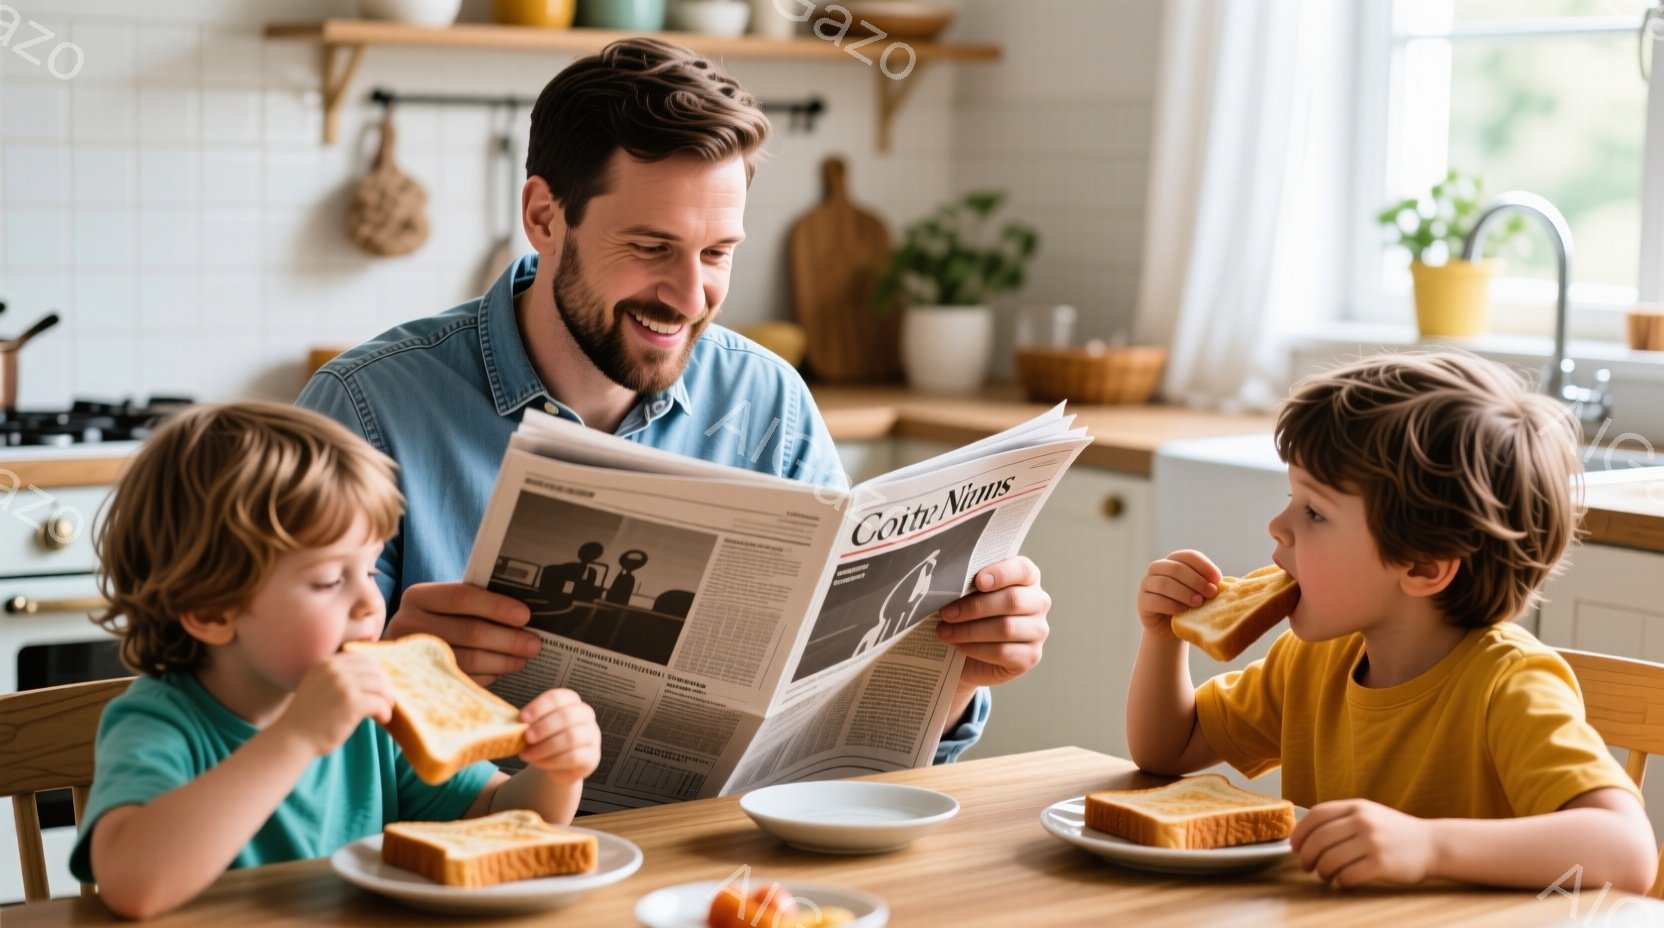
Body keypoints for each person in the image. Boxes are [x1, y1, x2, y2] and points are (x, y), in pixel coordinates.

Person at [297, 37, 1052, 763]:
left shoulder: (767, 402)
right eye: (652, 248)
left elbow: (827, 732)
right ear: (544, 217)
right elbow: (246, 726)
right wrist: (395, 671)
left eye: (717, 253)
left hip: (708, 858)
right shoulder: (365, 410)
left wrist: (955, 675)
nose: (691, 297)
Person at [1127, 352, 1658, 893]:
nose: (1278, 526)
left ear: (1423, 566)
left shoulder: (1510, 685)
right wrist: (1164, 638)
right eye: (1294, 498)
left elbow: (1628, 851)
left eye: (1314, 512)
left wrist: (1428, 845)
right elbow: (1168, 749)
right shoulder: (1313, 661)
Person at [70, 403, 601, 919]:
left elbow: (500, 814)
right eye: (329, 580)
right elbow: (132, 885)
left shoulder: (371, 722)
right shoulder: (160, 723)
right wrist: (298, 737)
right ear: (210, 611)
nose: (372, 602)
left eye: (371, 570)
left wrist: (556, 772)